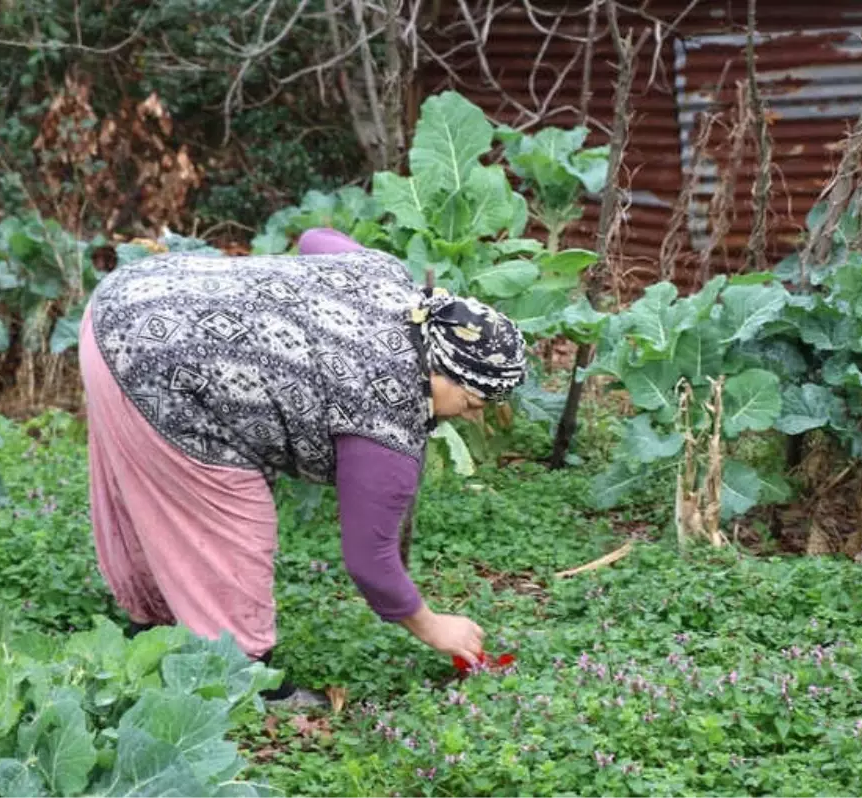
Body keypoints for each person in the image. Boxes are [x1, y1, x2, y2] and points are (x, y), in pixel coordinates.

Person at [78, 227, 527, 707]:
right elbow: (370, 562)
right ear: (437, 369)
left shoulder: (389, 278)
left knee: (149, 496)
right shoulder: (386, 422)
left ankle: (148, 633)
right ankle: (242, 681)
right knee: (229, 524)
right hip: (158, 365)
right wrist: (434, 626)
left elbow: (316, 238)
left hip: (123, 303)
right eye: (474, 398)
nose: (474, 414)